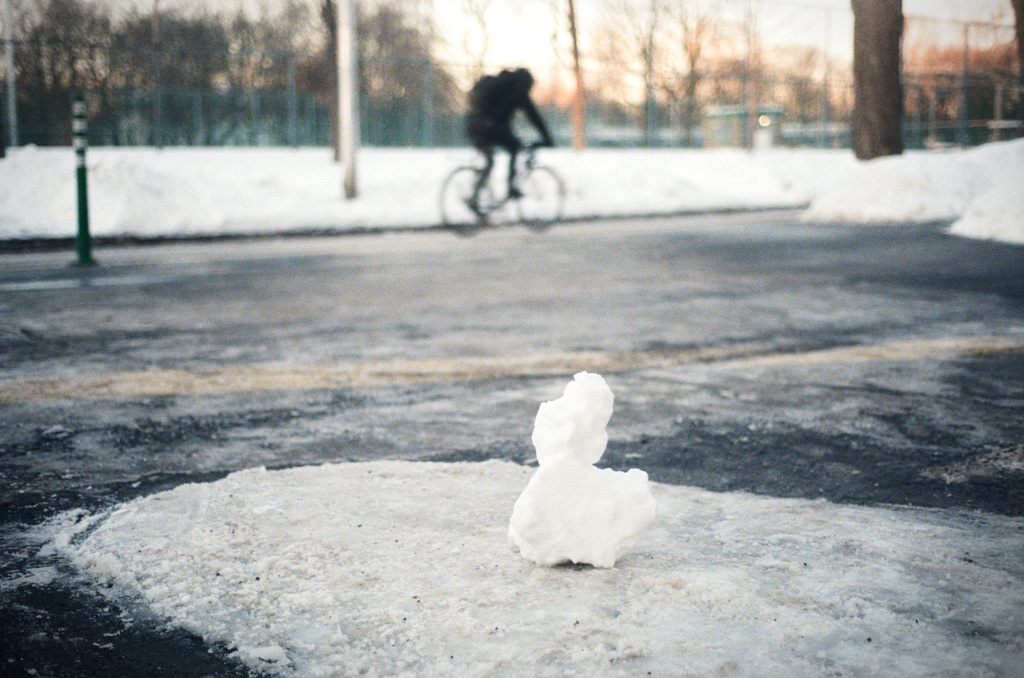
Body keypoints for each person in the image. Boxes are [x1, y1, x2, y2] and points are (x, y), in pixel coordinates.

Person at [465, 67, 554, 211]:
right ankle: (511, 188)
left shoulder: (501, 83)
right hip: (490, 127)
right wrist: (547, 139)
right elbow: (534, 117)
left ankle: (474, 198)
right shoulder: (518, 89)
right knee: (514, 147)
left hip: (474, 125)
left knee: (489, 162)